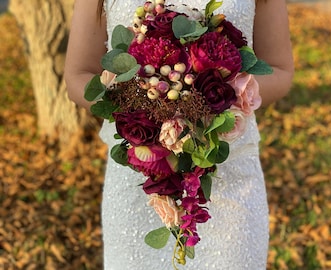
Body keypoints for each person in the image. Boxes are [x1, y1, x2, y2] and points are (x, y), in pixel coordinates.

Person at [64, 0, 294, 269]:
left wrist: (216, 95)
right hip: (137, 180)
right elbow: (78, 75)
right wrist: (140, 104)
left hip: (230, 182)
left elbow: (280, 70)